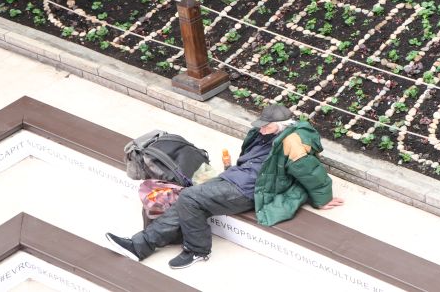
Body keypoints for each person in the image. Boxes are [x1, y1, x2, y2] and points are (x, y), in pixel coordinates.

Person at [106, 104, 344, 269]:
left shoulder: (293, 141)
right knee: (190, 200)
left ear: (280, 126)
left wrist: (323, 198)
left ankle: (197, 250)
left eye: (266, 126)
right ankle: (139, 246)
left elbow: (311, 171)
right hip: (236, 178)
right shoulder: (264, 135)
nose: (261, 128)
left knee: (189, 198)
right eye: (261, 124)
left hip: (250, 190)